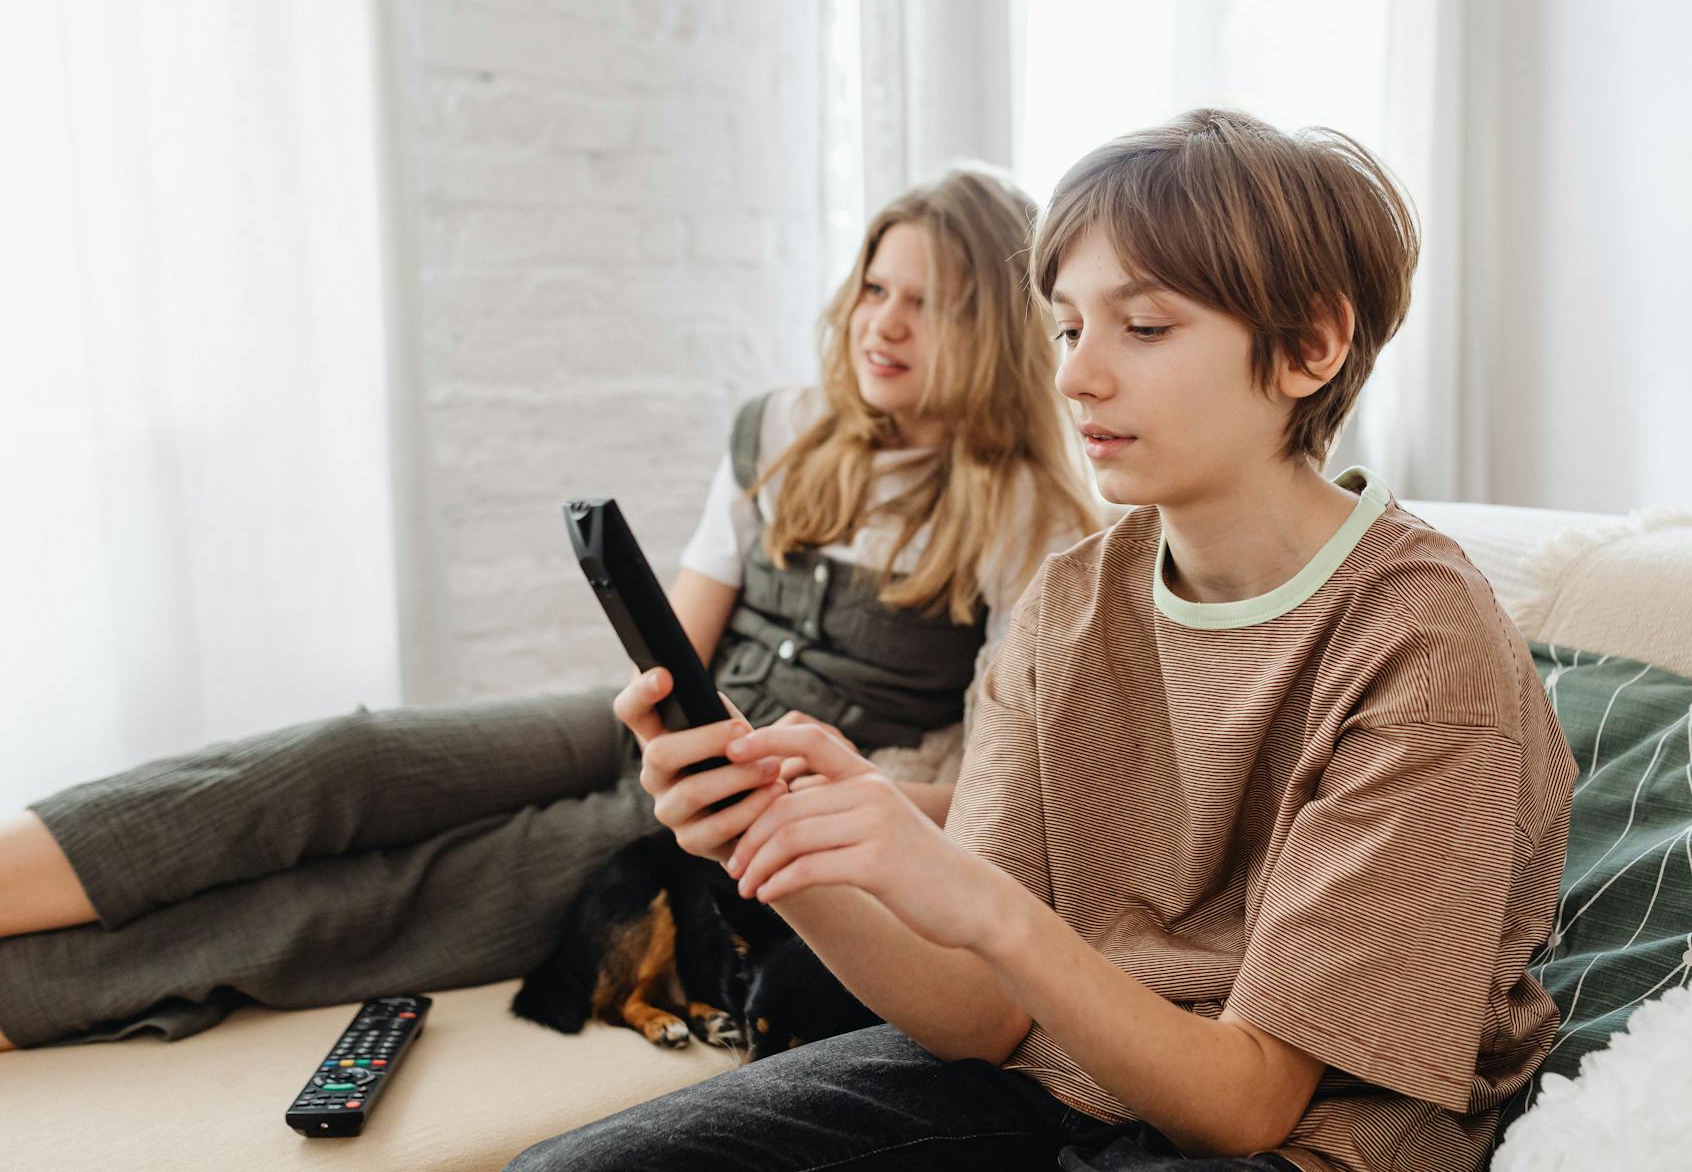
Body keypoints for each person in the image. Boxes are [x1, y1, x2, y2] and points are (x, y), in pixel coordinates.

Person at [507, 109, 1578, 1172]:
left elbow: (1246, 1101)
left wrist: (989, 905)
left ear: (1309, 344)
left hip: (1288, 1140)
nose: (1074, 376)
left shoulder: (1421, 647)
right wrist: (775, 842)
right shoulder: (1073, 598)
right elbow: (978, 1013)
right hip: (1045, 1085)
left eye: (1142, 327)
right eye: (1068, 328)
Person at [0, 163, 1100, 1053]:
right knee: (355, 758)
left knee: (426, 887)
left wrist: (858, 792)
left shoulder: (1034, 518)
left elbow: (1005, 785)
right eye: (875, 288)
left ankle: (21, 993)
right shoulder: (782, 427)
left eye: (927, 303)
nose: (885, 324)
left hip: (757, 805)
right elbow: (680, 632)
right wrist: (648, 712)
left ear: (994, 325)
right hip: (663, 723)